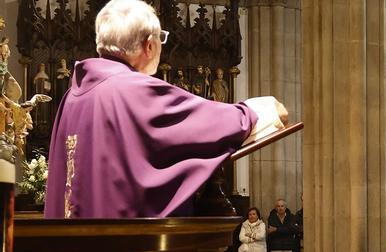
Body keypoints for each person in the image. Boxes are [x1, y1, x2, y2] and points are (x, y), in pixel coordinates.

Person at [44, 0, 288, 218]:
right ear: (149, 45)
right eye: (161, 39)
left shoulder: (73, 95)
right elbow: (209, 123)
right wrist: (262, 110)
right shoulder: (132, 89)